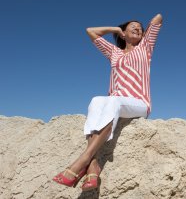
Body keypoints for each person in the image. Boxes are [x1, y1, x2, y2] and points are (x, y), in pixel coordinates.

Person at [52, 14, 163, 191]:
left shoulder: (145, 47)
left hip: (139, 103)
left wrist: (145, 30)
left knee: (113, 102)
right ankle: (93, 165)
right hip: (115, 102)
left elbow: (158, 18)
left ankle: (83, 160)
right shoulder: (114, 53)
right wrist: (114, 29)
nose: (137, 28)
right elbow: (91, 32)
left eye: (140, 28)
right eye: (132, 27)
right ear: (123, 34)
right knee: (96, 100)